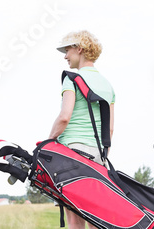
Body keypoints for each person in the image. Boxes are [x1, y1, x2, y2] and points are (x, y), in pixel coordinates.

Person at [48, 30, 115, 229]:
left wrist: (48, 141)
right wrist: (101, 156)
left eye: (67, 49)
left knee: (75, 221)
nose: (65, 55)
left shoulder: (72, 79)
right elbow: (109, 129)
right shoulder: (107, 85)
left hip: (71, 155)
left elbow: (64, 117)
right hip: (97, 156)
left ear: (80, 49)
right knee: (95, 218)